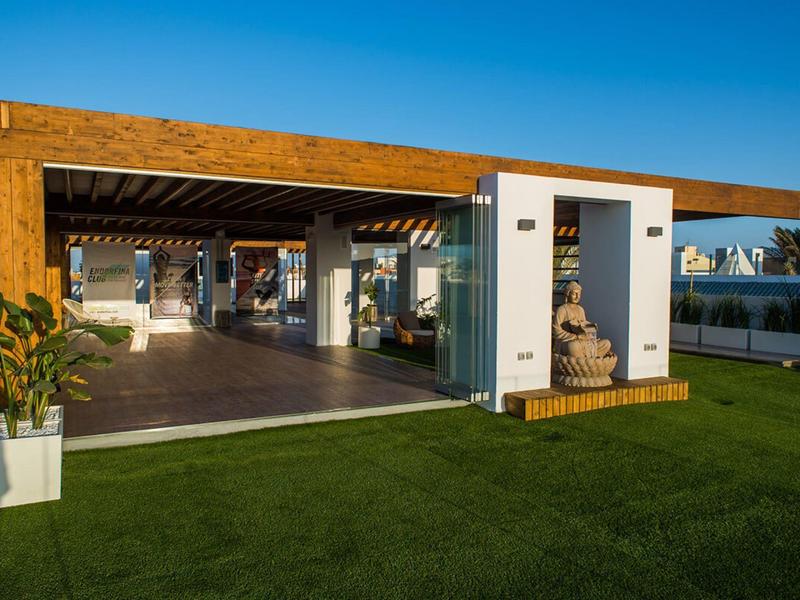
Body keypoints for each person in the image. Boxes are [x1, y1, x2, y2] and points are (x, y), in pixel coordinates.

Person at [552, 281, 612, 358]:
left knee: (606, 343)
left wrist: (590, 329)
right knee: (573, 346)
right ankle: (587, 359)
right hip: (568, 341)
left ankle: (584, 359)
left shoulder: (580, 309)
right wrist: (575, 337)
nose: (577, 297)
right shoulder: (562, 309)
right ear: (568, 294)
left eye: (579, 294)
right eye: (574, 294)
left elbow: (584, 326)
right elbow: (556, 330)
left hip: (583, 341)